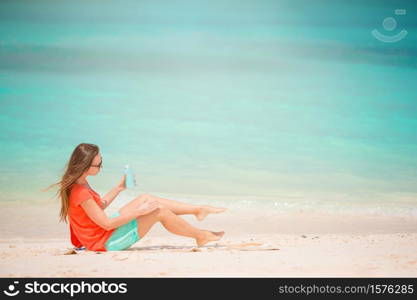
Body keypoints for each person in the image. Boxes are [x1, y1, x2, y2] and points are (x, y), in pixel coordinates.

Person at [47, 143, 226, 252]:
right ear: (86, 165)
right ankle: (200, 236)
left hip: (101, 234)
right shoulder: (81, 192)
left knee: (145, 198)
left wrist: (119, 187)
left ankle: (198, 210)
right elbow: (107, 224)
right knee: (159, 211)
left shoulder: (81, 182)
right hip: (104, 242)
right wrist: (140, 212)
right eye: (99, 164)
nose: (101, 167)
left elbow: (98, 207)